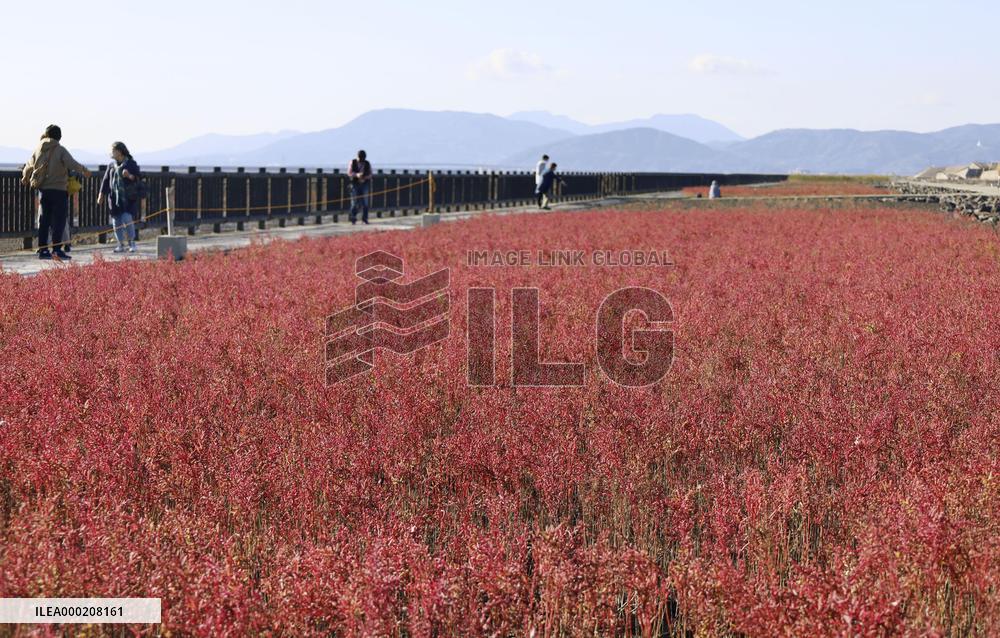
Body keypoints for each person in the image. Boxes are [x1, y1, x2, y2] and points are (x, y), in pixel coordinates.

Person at [21, 125, 91, 260]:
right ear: (59, 137)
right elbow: (72, 164)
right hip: (59, 190)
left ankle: (43, 250)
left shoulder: (38, 149)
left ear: (46, 135)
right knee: (58, 221)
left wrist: (25, 176)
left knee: (44, 220)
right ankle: (57, 250)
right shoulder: (60, 150)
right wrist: (84, 170)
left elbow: (29, 165)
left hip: (44, 190)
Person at [98, 142, 142, 253]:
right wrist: (101, 195)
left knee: (127, 219)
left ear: (120, 151)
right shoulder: (111, 165)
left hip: (128, 198)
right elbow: (105, 181)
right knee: (116, 222)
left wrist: (129, 176)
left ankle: (132, 243)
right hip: (114, 199)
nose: (111, 153)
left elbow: (138, 178)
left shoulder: (131, 164)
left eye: (113, 150)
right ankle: (120, 244)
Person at [348, 149, 372, 224]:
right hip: (354, 184)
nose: (361, 160)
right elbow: (349, 173)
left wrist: (365, 177)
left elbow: (371, 174)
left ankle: (365, 219)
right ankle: (353, 218)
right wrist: (357, 175)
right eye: (360, 158)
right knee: (354, 202)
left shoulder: (367, 163)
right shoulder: (352, 162)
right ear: (357, 156)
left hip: (364, 184)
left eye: (362, 158)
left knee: (365, 202)